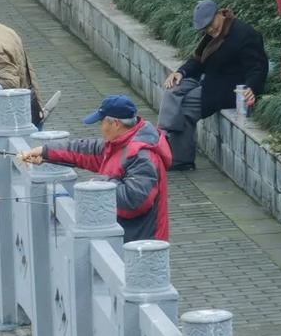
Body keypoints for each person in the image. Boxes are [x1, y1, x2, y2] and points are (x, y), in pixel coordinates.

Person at [17, 95, 172, 241]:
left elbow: (136, 201)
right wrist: (45, 152)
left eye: (102, 122)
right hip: (122, 237)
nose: (100, 128)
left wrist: (100, 184)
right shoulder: (118, 144)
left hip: (141, 243)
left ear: (116, 124)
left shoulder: (143, 156)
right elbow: (82, 150)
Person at [158, 0, 268, 170]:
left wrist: (251, 87)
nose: (210, 30)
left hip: (227, 90)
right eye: (205, 28)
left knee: (184, 108)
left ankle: (178, 157)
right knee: (174, 89)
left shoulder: (244, 34)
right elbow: (198, 60)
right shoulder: (211, 36)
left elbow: (258, 68)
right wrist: (181, 72)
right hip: (208, 81)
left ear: (220, 14)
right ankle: (165, 137)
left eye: (211, 25)